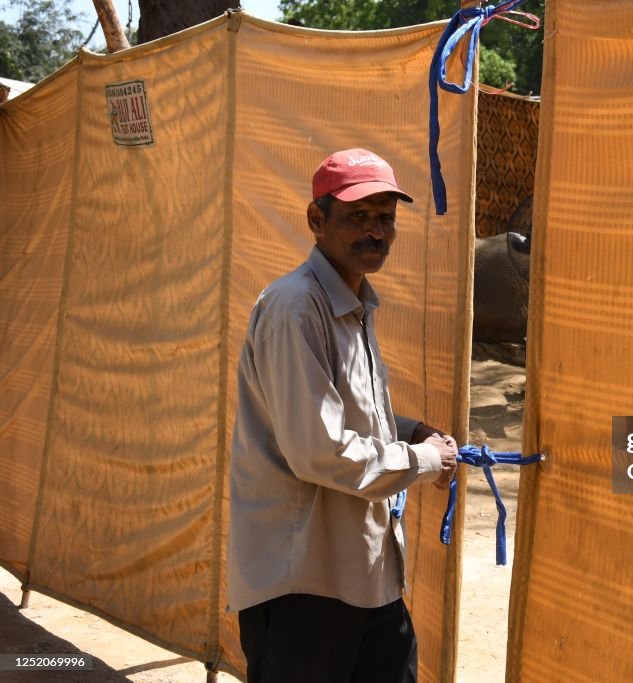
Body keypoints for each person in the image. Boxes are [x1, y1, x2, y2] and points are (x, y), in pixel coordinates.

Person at [227, 148, 459, 683]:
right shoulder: (294, 308)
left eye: (385, 218)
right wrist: (424, 459)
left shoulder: (353, 306)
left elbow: (342, 415)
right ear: (317, 219)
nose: (376, 232)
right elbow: (320, 451)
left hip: (364, 576)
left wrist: (410, 431)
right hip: (303, 586)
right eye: (358, 216)